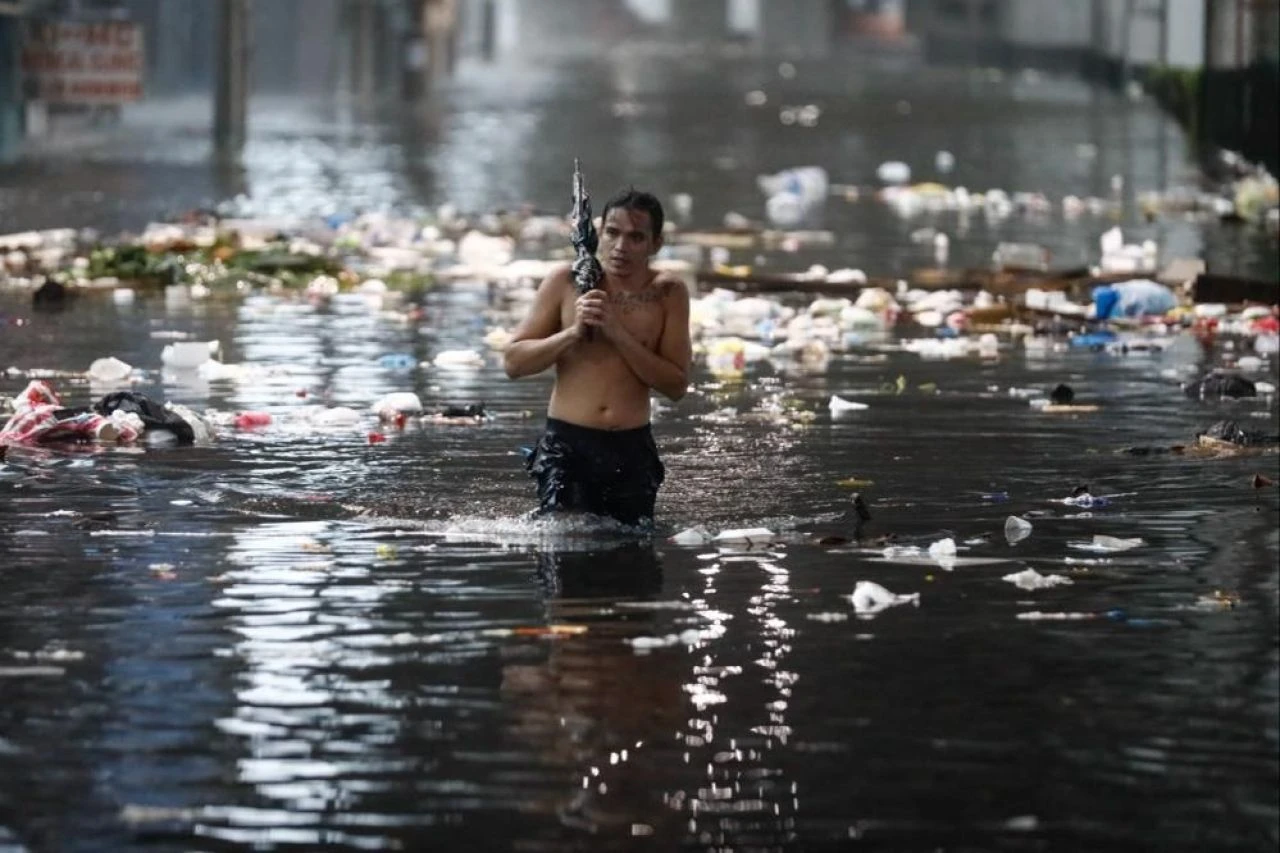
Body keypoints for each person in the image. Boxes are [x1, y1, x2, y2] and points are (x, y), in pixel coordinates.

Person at [503, 188, 691, 527]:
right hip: (568, 445)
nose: (620, 247)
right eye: (613, 233)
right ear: (598, 232)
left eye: (635, 237)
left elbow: (676, 386)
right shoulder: (565, 281)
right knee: (564, 551)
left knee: (630, 564)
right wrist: (572, 334)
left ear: (656, 244)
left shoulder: (668, 292)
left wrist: (617, 333)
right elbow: (514, 363)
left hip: (632, 447)